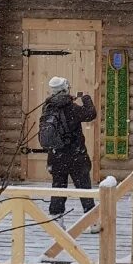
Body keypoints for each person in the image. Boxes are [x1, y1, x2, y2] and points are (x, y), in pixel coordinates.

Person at [42, 76, 100, 229]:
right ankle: (92, 222)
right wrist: (86, 98)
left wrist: (68, 99)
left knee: (58, 187)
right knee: (84, 188)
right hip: (76, 156)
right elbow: (90, 114)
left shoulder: (48, 107)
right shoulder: (72, 108)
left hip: (56, 156)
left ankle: (56, 220)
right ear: (66, 89)